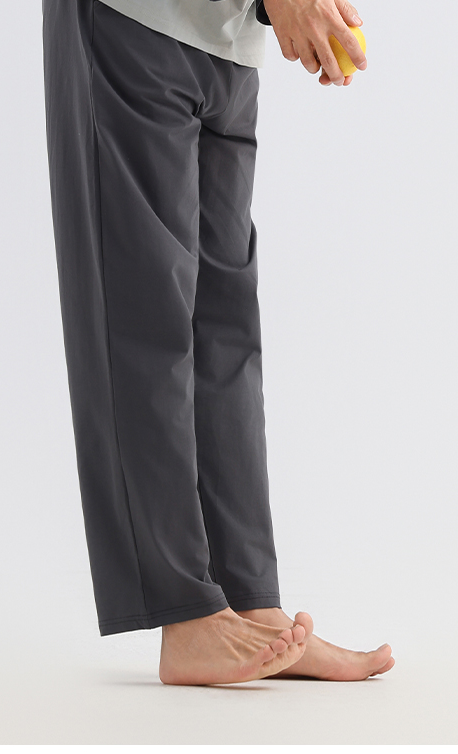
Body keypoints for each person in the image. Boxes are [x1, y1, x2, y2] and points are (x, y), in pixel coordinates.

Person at [41, 0, 393, 685]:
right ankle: (186, 614)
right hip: (135, 19)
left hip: (229, 42)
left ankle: (249, 601)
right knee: (143, 314)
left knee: (225, 333)